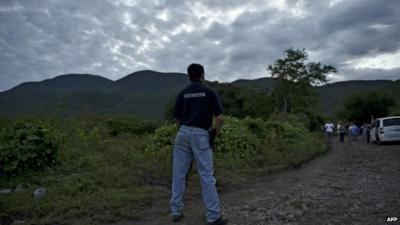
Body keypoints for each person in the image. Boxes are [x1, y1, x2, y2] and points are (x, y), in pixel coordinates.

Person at [170, 63, 227, 225]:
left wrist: (181, 133)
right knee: (206, 176)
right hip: (201, 134)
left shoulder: (182, 93)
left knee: (178, 174)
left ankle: (176, 211)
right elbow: (220, 118)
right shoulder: (209, 92)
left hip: (183, 134)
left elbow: (177, 118)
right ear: (203, 75)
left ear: (188, 76)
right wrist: (215, 133)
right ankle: (213, 216)